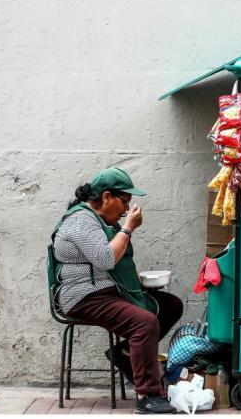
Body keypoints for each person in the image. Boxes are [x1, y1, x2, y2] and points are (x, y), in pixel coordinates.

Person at [51, 167, 183, 414]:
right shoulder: (81, 220)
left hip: (108, 292)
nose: (125, 210)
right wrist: (128, 228)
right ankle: (147, 396)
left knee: (170, 305)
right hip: (84, 297)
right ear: (106, 197)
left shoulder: (96, 220)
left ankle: (123, 353)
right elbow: (106, 259)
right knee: (143, 323)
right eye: (124, 201)